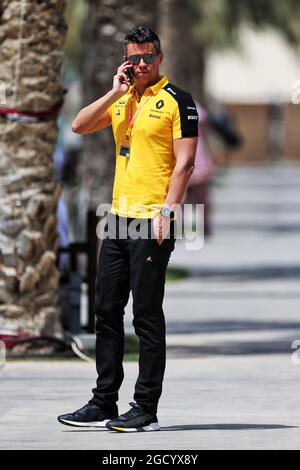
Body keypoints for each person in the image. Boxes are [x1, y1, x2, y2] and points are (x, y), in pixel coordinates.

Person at [57, 25, 198, 433]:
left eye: (147, 57)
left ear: (160, 58)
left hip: (152, 220)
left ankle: (145, 409)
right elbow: (80, 126)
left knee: (146, 315)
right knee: (105, 310)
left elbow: (185, 164)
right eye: (133, 58)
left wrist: (169, 212)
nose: (140, 65)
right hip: (116, 219)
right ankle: (104, 401)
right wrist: (116, 92)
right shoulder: (123, 98)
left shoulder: (177, 102)